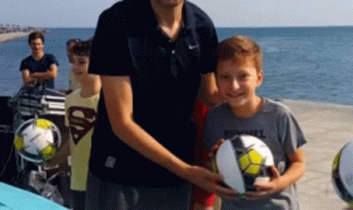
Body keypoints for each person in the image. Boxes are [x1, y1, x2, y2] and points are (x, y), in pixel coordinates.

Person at [85, 0, 234, 209]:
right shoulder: (116, 21)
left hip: (175, 178)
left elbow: (208, 94)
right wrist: (185, 170)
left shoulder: (201, 25)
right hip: (120, 176)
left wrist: (253, 105)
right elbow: (121, 123)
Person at [204, 35, 307, 210]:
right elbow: (213, 166)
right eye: (225, 77)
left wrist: (279, 183)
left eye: (243, 76)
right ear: (216, 79)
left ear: (259, 78)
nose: (234, 86)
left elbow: (298, 162)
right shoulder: (215, 119)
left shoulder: (279, 116)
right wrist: (214, 161)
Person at [45, 39, 99, 210]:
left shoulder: (109, 100)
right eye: (73, 62)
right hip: (78, 179)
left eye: (82, 62)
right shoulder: (70, 100)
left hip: (105, 182)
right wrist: (52, 160)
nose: (75, 67)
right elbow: (74, 138)